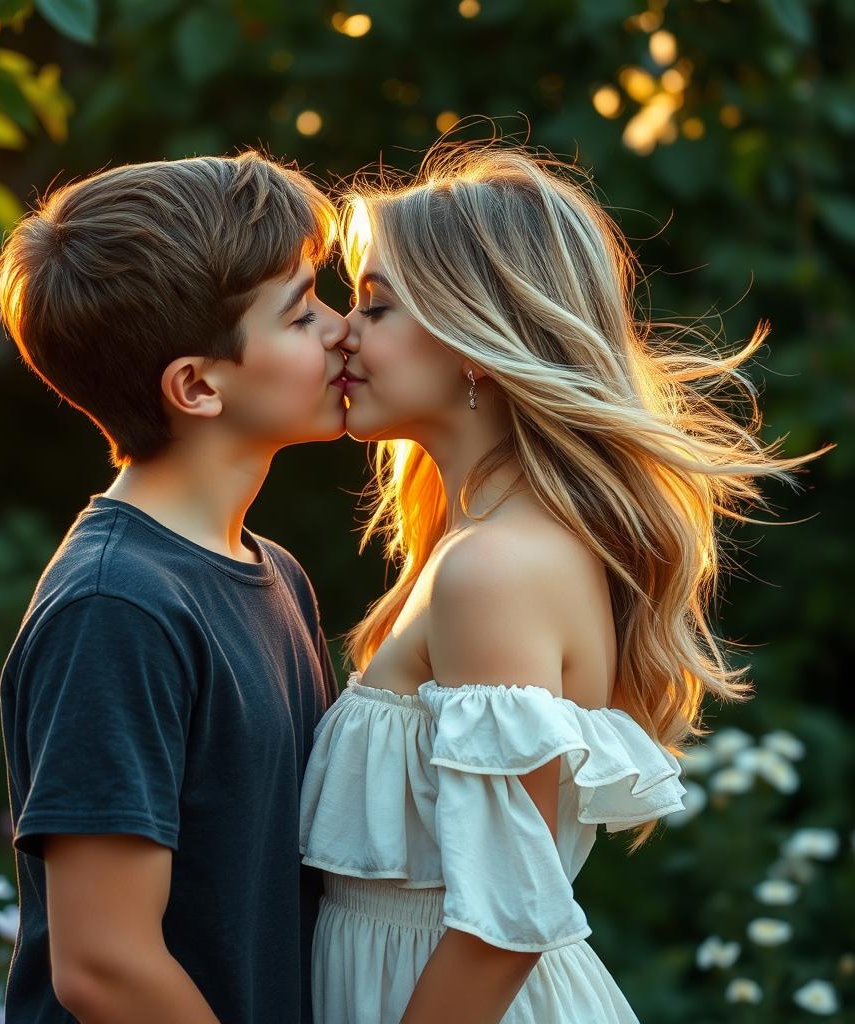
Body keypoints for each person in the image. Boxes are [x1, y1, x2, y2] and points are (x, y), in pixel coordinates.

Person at [298, 137, 831, 1024]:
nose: (342, 332)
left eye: (375, 305)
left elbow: (502, 925)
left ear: (475, 337)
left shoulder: (495, 568)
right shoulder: (476, 544)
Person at [0, 150, 351, 1024]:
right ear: (197, 386)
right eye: (301, 315)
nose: (342, 328)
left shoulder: (273, 576)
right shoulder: (118, 606)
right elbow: (105, 963)